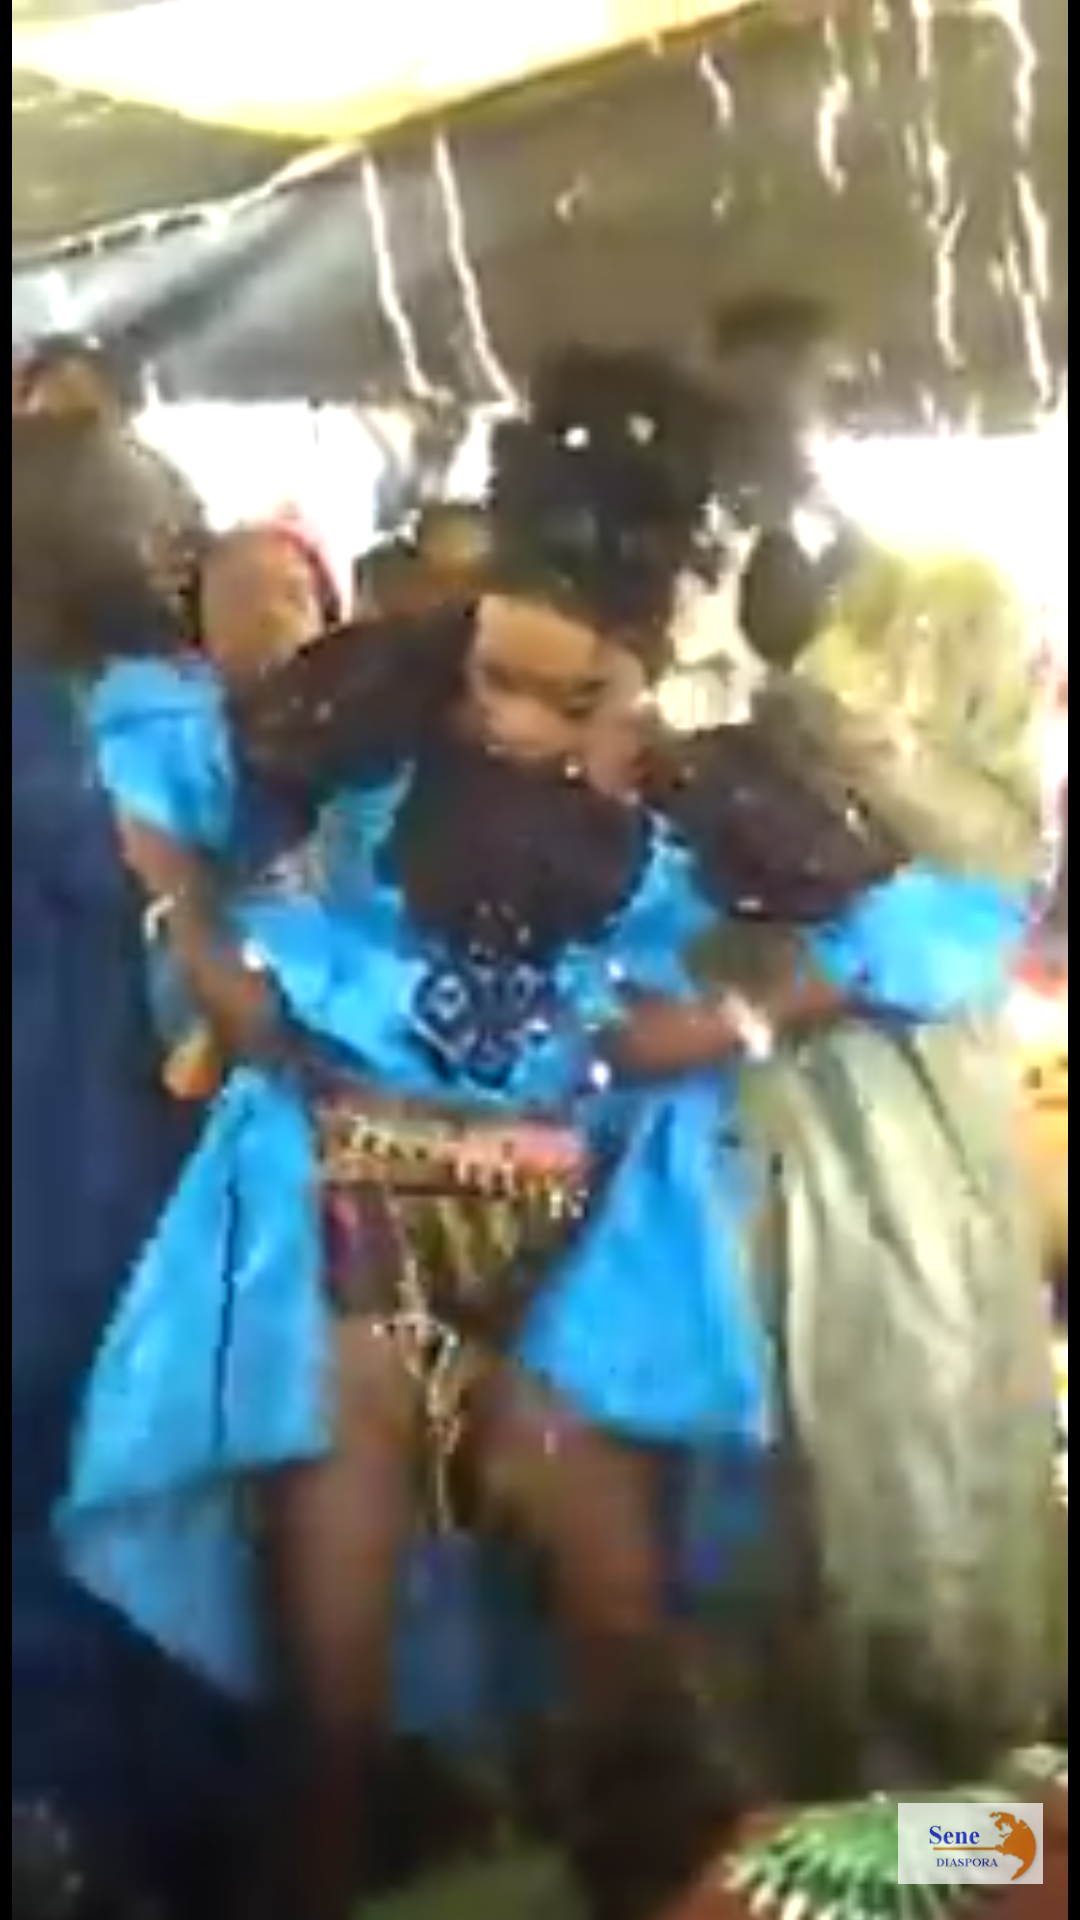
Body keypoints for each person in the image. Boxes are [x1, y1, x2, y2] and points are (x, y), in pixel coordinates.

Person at [58, 348, 1024, 1920]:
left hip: (585, 1285)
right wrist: (201, 942)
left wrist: (733, 1020)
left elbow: (934, 934)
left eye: (572, 700)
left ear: (651, 678)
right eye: (492, 676)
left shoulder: (720, 797)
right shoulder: (362, 731)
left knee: (631, 1693)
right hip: (343, 1261)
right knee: (329, 1727)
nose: (511, 722)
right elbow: (150, 771)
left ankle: (758, 1875)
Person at [11, 415, 255, 1918]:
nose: (181, 550)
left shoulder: (88, 729)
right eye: (158, 526)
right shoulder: (71, 748)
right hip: (80, 1218)